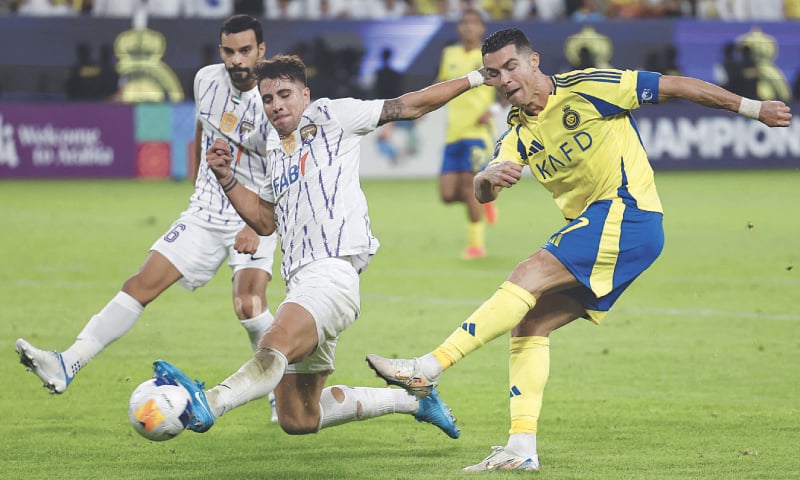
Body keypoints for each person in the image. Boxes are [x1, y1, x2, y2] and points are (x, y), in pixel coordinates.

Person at [366, 27, 792, 472]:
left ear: (534, 62)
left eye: (511, 66)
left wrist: (752, 107)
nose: (504, 79)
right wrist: (487, 180)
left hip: (628, 212)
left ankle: (427, 368)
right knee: (529, 324)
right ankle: (521, 447)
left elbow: (675, 85)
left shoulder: (590, 86)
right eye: (493, 73)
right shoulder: (516, 131)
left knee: (527, 273)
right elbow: (484, 189)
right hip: (606, 228)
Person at [152, 53, 490, 440]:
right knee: (298, 417)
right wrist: (227, 178)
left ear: (305, 94)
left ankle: (209, 402)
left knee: (273, 343)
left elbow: (408, 105)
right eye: (267, 99)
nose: (276, 105)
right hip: (301, 283)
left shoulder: (333, 116)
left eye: (284, 94)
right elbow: (264, 220)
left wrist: (477, 77)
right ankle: (417, 402)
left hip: (332, 273)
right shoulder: (275, 150)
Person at [16, 14, 280, 420]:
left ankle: (279, 388)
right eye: (229, 51)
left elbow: (284, 169)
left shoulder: (275, 100)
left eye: (245, 50)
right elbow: (203, 128)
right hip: (207, 211)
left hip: (255, 213)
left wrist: (253, 224)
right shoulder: (206, 80)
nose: (236, 60)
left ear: (261, 50)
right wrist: (197, 184)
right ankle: (67, 363)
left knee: (248, 304)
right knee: (141, 283)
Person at [436, 7, 499, 260]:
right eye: (464, 23)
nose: (468, 27)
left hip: (477, 132)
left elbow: (505, 88)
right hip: (453, 132)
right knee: (448, 194)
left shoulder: (490, 56)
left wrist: (492, 110)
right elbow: (441, 86)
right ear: (459, 27)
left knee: (467, 187)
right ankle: (489, 199)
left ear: (482, 29)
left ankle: (476, 245)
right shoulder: (448, 53)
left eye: (474, 23)